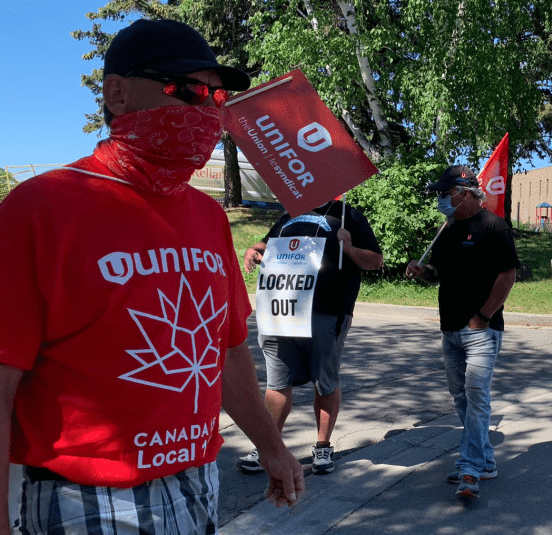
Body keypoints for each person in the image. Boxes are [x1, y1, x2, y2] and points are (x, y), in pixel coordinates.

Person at [0, 19, 304, 534]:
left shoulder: (208, 217)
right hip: (84, 499)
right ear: (117, 94)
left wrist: (272, 448)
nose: (207, 109)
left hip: (197, 482)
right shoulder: (40, 209)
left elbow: (225, 351)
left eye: (216, 95)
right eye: (185, 90)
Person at [239, 201, 383, 474]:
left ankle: (323, 446)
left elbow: (375, 261)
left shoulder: (347, 215)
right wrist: (254, 251)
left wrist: (349, 248)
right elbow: (268, 247)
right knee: (277, 382)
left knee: (324, 381)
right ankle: (268, 447)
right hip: (281, 311)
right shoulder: (290, 214)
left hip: (327, 312)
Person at [405, 165, 519, 498]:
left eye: (445, 193)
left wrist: (483, 315)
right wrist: (422, 270)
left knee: (476, 396)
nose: (440, 199)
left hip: (481, 330)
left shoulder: (494, 226)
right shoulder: (447, 228)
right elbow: (440, 274)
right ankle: (485, 461)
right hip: (449, 330)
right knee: (461, 399)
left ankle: (468, 468)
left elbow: (507, 275)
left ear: (464, 193)